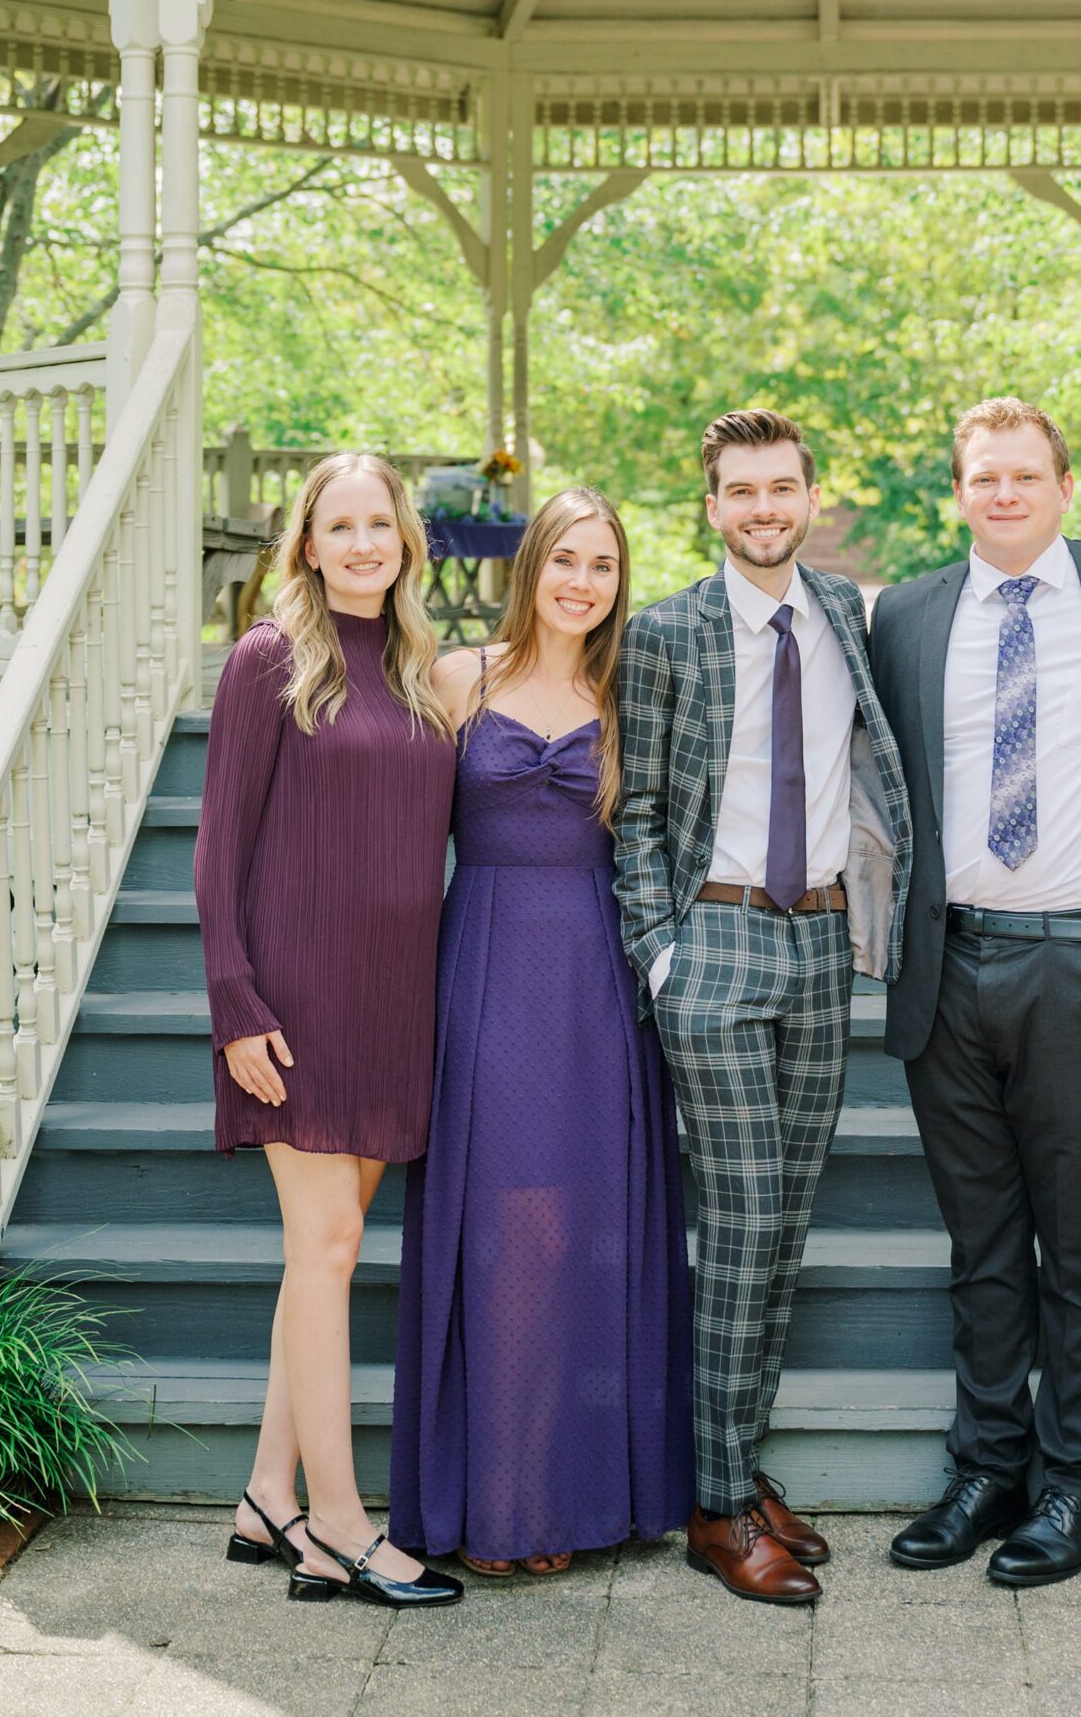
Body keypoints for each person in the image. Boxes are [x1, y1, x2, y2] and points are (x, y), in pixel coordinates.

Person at [871, 397, 1081, 1590]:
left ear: (1063, 485)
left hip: (1078, 961)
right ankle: (987, 1466)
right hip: (946, 961)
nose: (1001, 493)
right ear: (956, 492)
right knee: (982, 1242)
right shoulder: (904, 614)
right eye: (980, 477)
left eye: (1022, 474)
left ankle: (1077, 1484)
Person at [615, 408, 911, 1604]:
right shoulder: (665, 632)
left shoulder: (842, 612)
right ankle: (716, 1505)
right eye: (740, 490)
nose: (762, 508)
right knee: (738, 1219)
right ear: (710, 504)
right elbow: (632, 808)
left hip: (822, 940)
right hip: (718, 941)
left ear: (807, 495)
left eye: (780, 487)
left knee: (783, 1224)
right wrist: (661, 954)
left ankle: (737, 1463)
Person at [389, 488, 694, 1578]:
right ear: (530, 568)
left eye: (602, 565)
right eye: (564, 558)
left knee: (574, 1235)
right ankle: (498, 1502)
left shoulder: (629, 692)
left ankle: (574, 1496)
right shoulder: (457, 677)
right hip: (482, 965)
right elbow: (384, 819)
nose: (581, 581)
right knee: (501, 1231)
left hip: (593, 978)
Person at [195, 452, 463, 1610]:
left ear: (405, 538)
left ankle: (265, 1490)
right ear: (303, 542)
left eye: (378, 523)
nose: (361, 543)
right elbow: (215, 855)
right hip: (293, 1006)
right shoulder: (269, 661)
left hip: (392, 999)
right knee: (328, 1252)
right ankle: (338, 1527)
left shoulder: (418, 672)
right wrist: (235, 1005)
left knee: (327, 1252)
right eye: (336, 525)